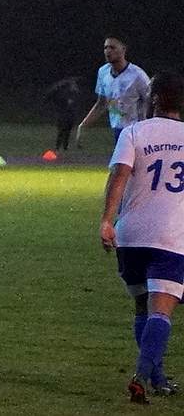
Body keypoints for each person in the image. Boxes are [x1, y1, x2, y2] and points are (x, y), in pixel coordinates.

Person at [99, 70, 184, 402]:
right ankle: (140, 375)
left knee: (141, 309)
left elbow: (119, 175)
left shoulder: (134, 132)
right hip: (171, 237)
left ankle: (157, 377)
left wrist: (107, 220)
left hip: (130, 236)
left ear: (156, 98)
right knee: (160, 312)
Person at [81, 37, 152, 148]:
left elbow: (152, 101)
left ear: (123, 49)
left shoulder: (138, 75)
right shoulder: (103, 72)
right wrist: (84, 125)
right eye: (106, 47)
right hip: (117, 130)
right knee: (120, 164)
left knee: (127, 164)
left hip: (135, 131)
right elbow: (102, 103)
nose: (108, 51)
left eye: (112, 47)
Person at [47, 76, 86, 152]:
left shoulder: (74, 93)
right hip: (63, 115)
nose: (74, 85)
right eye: (72, 84)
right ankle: (58, 147)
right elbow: (53, 97)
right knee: (61, 131)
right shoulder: (63, 93)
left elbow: (77, 102)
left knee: (68, 131)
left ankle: (65, 146)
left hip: (70, 115)